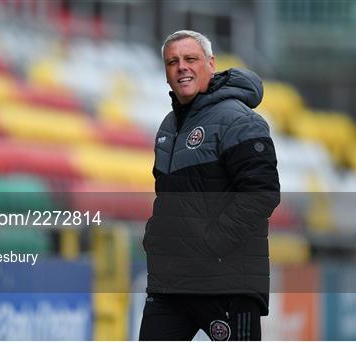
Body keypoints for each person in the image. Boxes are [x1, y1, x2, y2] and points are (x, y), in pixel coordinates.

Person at [139, 30, 280, 341]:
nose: (181, 67)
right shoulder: (168, 128)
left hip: (227, 284)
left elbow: (262, 194)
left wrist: (209, 244)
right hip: (170, 284)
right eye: (172, 62)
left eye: (191, 59)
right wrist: (157, 237)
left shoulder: (239, 120)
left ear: (211, 64)